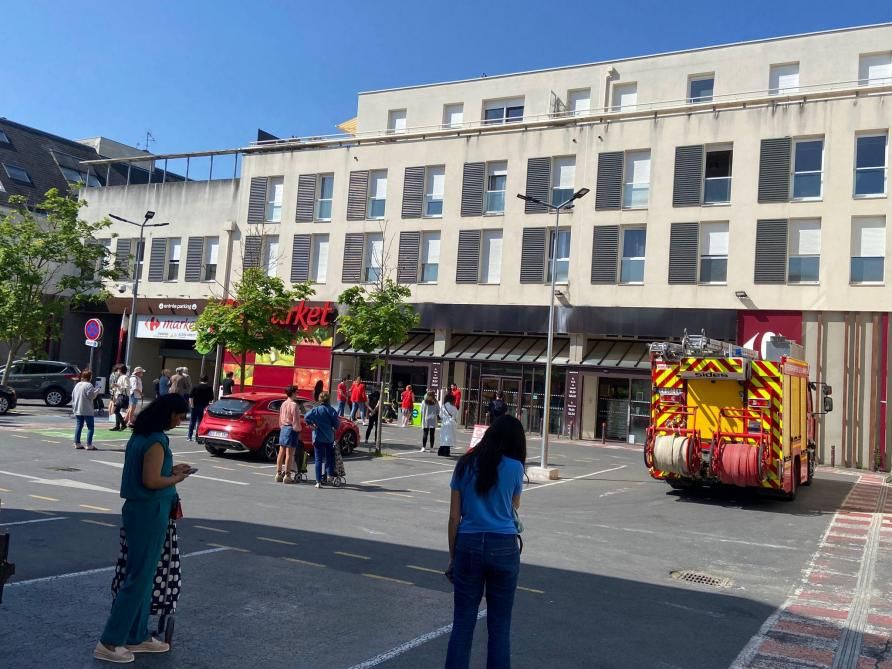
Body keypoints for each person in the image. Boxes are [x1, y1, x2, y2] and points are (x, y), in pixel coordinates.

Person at [95, 394, 194, 664]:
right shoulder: (157, 439)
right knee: (139, 578)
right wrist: (177, 477)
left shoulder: (141, 437)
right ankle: (110, 640)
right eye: (179, 415)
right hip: (150, 510)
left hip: (142, 510)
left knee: (144, 575)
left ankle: (135, 635)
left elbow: (148, 473)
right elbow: (151, 481)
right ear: (168, 414)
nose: (181, 420)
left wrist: (171, 470)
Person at [445, 415, 526, 669]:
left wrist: (453, 557)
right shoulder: (515, 468)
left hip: (468, 544)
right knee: (500, 627)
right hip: (503, 545)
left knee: (463, 623)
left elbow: (453, 517)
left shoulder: (464, 464)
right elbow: (513, 509)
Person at [304, 392, 340, 488]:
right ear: (328, 399)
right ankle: (329, 475)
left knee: (318, 459)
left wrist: (311, 424)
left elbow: (306, 417)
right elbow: (336, 423)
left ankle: (318, 481)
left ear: (320, 400)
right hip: (329, 437)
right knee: (329, 457)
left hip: (318, 437)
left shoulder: (316, 410)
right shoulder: (331, 410)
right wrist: (334, 428)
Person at [275, 386, 304, 484]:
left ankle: (278, 474)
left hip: (283, 428)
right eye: (297, 392)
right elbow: (296, 420)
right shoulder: (294, 405)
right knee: (289, 454)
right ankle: (287, 475)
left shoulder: (283, 404)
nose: (297, 393)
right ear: (293, 393)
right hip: (291, 429)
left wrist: (282, 426)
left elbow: (280, 417)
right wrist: (298, 429)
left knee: (281, 451)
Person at [72, 370, 102, 450]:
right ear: (90, 377)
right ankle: (89, 444)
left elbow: (73, 396)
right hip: (87, 409)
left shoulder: (77, 385)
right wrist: (97, 391)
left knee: (79, 426)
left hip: (78, 408)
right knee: (90, 427)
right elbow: (91, 397)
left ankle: (77, 443)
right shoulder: (89, 385)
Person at [187, 376, 215, 442]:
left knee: (192, 421)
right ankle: (198, 436)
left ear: (200, 380)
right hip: (204, 406)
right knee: (200, 421)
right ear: (207, 380)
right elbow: (211, 398)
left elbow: (190, 396)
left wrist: (192, 405)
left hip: (195, 406)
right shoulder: (209, 387)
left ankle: (189, 436)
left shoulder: (195, 387)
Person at [439, 393, 460, 457]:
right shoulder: (454, 408)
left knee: (443, 438)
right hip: (451, 424)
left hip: (444, 423)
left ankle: (441, 451)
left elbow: (440, 415)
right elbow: (457, 416)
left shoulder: (443, 406)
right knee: (449, 438)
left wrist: (444, 418)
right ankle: (446, 452)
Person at [111, 366, 130, 431]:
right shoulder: (121, 377)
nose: (117, 371)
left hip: (122, 396)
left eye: (118, 370)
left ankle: (123, 424)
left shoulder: (125, 377)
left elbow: (127, 387)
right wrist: (115, 387)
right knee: (117, 411)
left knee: (115, 411)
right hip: (119, 396)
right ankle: (117, 426)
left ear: (120, 370)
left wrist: (117, 386)